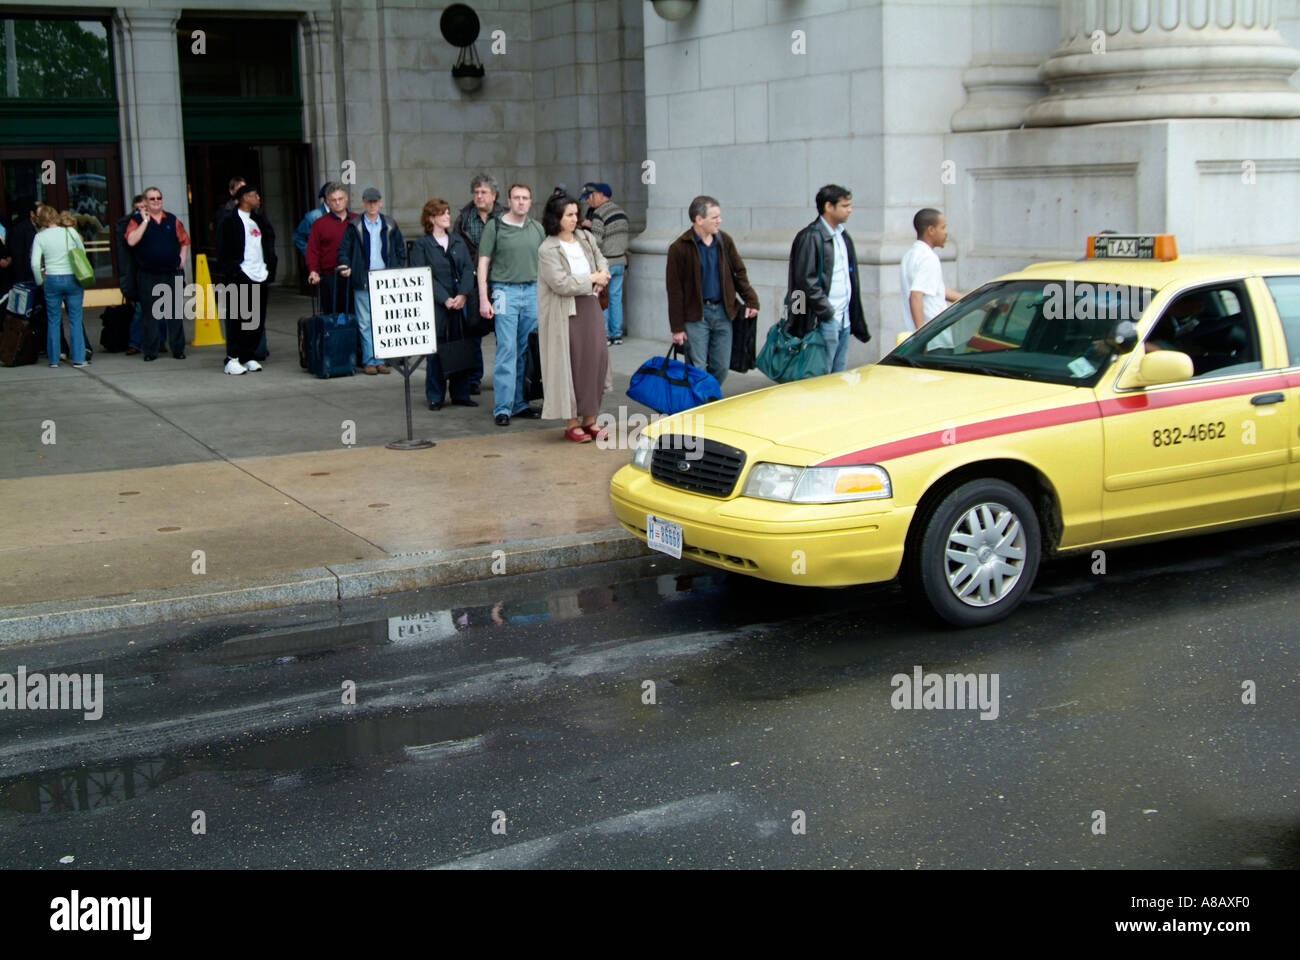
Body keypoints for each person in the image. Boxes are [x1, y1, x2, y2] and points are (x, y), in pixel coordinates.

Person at [538, 193, 612, 443]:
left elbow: (600, 257)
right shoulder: (547, 248)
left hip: (591, 306)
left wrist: (602, 272)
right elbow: (561, 283)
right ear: (555, 218)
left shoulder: (586, 237)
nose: (574, 219)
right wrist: (592, 279)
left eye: (575, 214)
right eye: (568, 215)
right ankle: (571, 421)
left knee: (595, 359)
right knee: (572, 363)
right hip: (566, 311)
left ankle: (590, 419)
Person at [664, 195, 759, 387]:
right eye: (714, 217)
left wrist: (751, 300)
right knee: (697, 367)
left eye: (719, 216)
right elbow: (674, 290)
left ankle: (710, 398)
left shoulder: (724, 241)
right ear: (699, 220)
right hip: (696, 317)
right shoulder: (679, 248)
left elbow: (739, 272)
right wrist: (677, 328)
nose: (719, 221)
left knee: (721, 366)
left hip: (724, 312)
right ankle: (700, 406)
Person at [477, 183, 546, 425]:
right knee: (507, 349)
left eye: (525, 198)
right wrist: (484, 298)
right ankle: (502, 408)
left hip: (532, 291)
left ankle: (520, 402)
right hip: (504, 291)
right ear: (508, 200)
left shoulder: (537, 228)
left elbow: (547, 263)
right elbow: (483, 263)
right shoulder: (495, 226)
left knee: (525, 349)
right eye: (516, 197)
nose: (521, 202)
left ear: (530, 201)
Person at [783, 184, 871, 373]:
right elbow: (805, 280)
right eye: (845, 206)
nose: (850, 210)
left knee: (837, 375)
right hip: (824, 320)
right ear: (829, 207)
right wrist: (827, 313)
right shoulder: (810, 236)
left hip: (843, 318)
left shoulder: (842, 236)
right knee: (820, 375)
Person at [410, 198, 478, 410]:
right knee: (437, 350)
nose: (448, 216)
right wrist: (444, 298)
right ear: (431, 218)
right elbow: (423, 275)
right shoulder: (422, 245)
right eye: (443, 213)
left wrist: (463, 294)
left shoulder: (457, 241)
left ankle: (461, 393)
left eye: (448, 212)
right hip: (437, 305)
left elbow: (468, 269)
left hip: (459, 302)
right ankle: (435, 395)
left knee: (461, 346)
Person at [337, 186, 406, 375]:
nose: (372, 204)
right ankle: (370, 360)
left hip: (385, 279)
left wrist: (398, 270)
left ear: (380, 202)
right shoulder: (355, 225)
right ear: (363, 203)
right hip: (363, 279)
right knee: (366, 322)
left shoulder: (390, 224)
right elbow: (343, 250)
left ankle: (382, 359)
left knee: (383, 321)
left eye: (375, 201)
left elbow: (400, 249)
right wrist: (345, 265)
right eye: (369, 201)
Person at [215, 183, 278, 375]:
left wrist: (269, 267)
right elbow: (223, 249)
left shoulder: (258, 219)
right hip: (240, 275)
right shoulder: (229, 220)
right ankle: (232, 358)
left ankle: (247, 355)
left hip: (260, 274)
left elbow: (269, 242)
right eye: (254, 195)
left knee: (255, 319)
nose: (258, 198)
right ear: (244, 198)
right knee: (237, 318)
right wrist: (233, 271)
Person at [453, 173, 506, 395]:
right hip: (475, 282)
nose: (479, 196)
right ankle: (474, 378)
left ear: (494, 195)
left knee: (504, 331)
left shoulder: (505, 216)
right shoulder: (464, 218)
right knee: (474, 331)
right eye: (476, 193)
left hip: (502, 281)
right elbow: (456, 249)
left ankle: (504, 378)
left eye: (483, 192)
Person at [126, 185, 191, 361]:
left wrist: (181, 260)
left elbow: (184, 240)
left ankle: (178, 349)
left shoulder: (172, 219)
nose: (156, 201)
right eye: (152, 198)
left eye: (159, 198)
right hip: (148, 273)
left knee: (175, 314)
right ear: (145, 202)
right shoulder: (136, 221)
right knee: (150, 314)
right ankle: (150, 351)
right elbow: (131, 241)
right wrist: (145, 222)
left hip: (171, 272)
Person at [30, 206, 89, 368]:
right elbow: (82, 252)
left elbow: (35, 263)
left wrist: (40, 281)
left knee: (53, 319)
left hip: (52, 278)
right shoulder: (70, 232)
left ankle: (54, 359)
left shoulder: (39, 237)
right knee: (75, 319)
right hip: (72, 278)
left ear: (41, 219)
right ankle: (79, 358)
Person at [900, 208, 960, 351]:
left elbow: (936, 290)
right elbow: (916, 295)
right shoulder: (928, 258)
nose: (946, 232)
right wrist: (922, 339)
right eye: (943, 227)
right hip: (933, 341)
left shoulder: (910, 255)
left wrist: (977, 301)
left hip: (919, 338)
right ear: (931, 230)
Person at [578, 182, 629, 345]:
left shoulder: (599, 214)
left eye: (591, 197)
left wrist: (587, 229)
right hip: (620, 260)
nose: (588, 201)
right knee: (615, 298)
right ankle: (617, 334)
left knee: (602, 299)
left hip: (605, 263)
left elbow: (597, 241)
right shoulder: (621, 212)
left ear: (601, 195)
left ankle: (605, 334)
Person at [305, 182, 355, 314]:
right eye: (333, 200)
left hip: (355, 276)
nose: (337, 203)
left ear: (346, 198)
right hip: (329, 278)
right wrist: (313, 270)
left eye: (340, 199)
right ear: (327, 202)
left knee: (357, 317)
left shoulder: (357, 220)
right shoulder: (319, 224)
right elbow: (312, 250)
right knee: (331, 318)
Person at [113, 194, 146, 353]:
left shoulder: (154, 220)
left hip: (147, 268)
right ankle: (134, 342)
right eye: (137, 208)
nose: (140, 211)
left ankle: (157, 340)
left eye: (142, 208)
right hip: (136, 270)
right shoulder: (126, 224)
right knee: (140, 308)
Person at [293, 183, 331, 255]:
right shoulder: (313, 216)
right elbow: (299, 237)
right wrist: (313, 255)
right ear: (326, 198)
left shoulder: (345, 215)